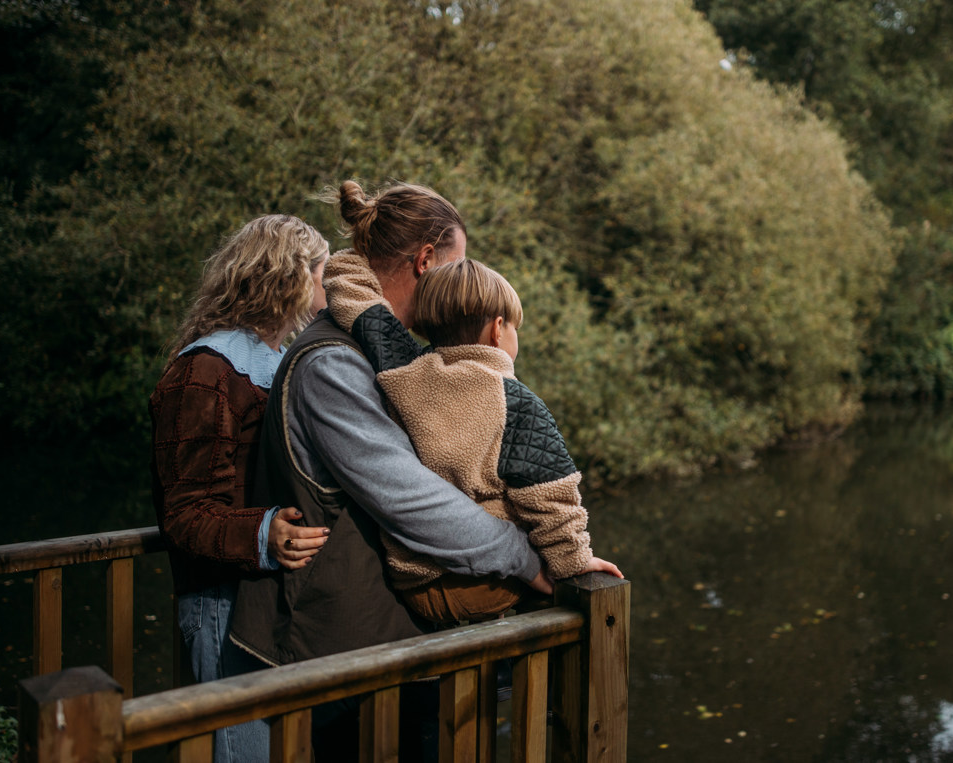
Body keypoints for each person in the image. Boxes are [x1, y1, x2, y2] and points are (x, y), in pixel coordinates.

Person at [228, 181, 547, 756]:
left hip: (383, 652)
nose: (460, 289)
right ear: (425, 262)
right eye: (455, 268)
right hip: (336, 661)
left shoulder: (388, 356)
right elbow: (410, 498)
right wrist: (525, 558)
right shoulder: (332, 364)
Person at [322, 255, 622, 623]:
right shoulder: (515, 400)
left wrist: (365, 241)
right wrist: (575, 560)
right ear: (498, 330)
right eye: (515, 329)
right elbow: (551, 498)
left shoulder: (402, 368)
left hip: (412, 580)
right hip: (478, 585)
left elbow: (351, 293)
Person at [150, 214, 332, 763]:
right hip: (220, 603)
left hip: (267, 599)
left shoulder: (280, 359)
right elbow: (185, 512)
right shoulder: (205, 371)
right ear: (292, 277)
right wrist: (265, 530)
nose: (331, 287)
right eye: (324, 273)